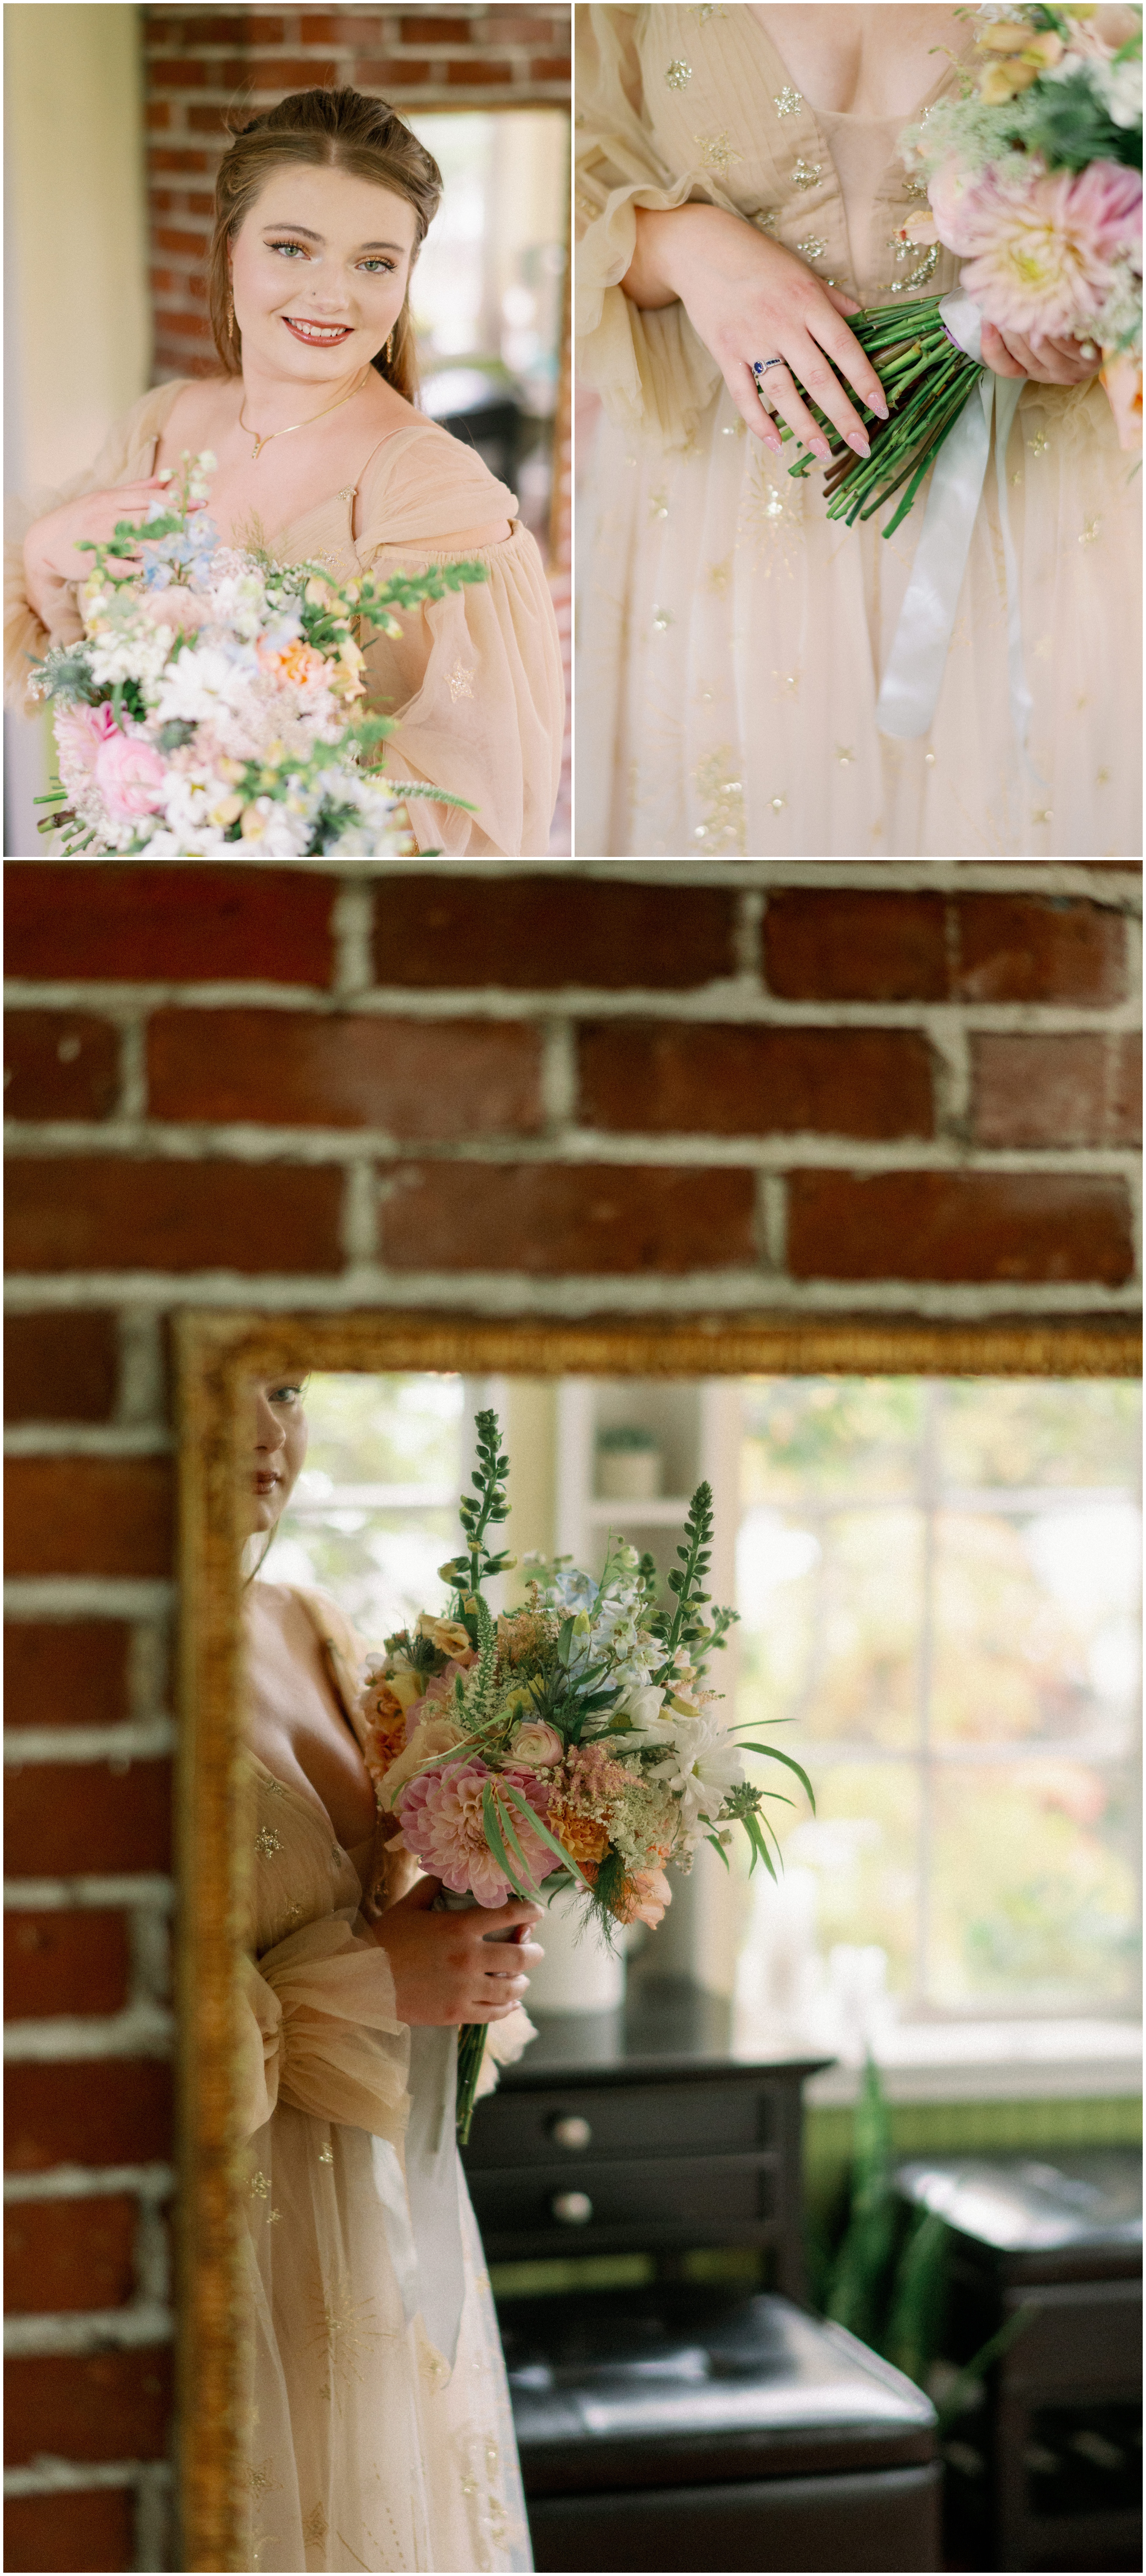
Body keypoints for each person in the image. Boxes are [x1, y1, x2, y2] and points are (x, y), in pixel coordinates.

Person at [575, 4, 1141, 858]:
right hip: (719, 516)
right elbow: (571, 182)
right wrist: (684, 247)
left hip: (1031, 502)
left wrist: (1083, 304)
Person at [7, 86, 564, 857]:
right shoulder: (163, 421)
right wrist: (43, 555)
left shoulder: (431, 493)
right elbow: (88, 690)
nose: (332, 295)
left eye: (374, 263)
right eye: (292, 248)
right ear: (230, 246)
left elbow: (468, 809)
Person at [239, 1374, 541, 2572]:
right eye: (233, 1385)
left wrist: (475, 1909)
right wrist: (373, 1979)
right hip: (235, 2234)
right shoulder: (57, 1656)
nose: (272, 1429)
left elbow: (380, 1915)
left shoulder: (313, 1622)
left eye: (289, 1387)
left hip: (379, 2221)